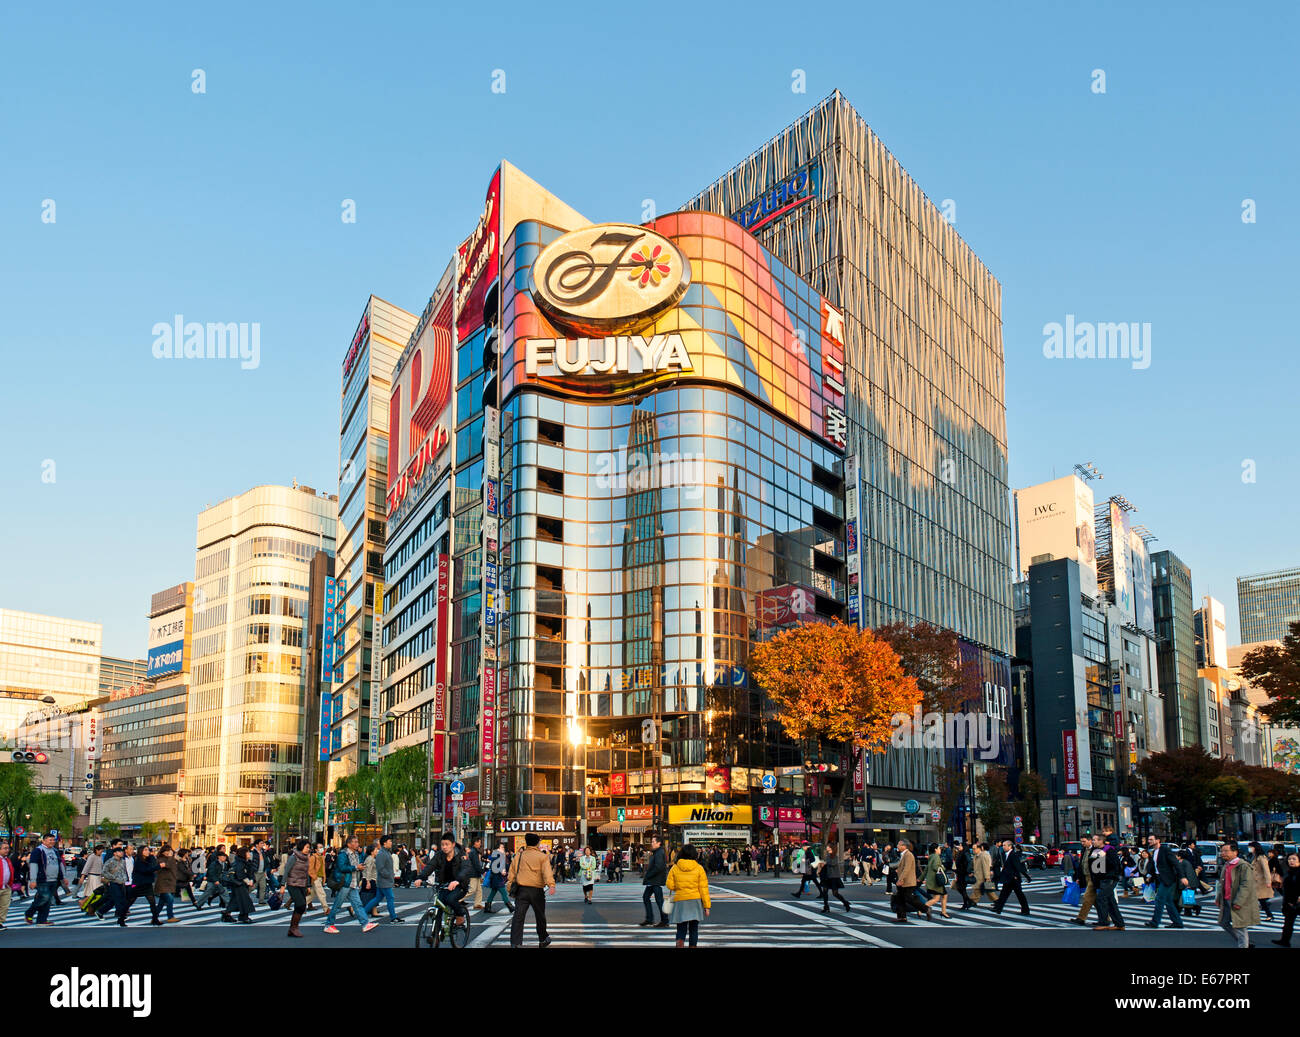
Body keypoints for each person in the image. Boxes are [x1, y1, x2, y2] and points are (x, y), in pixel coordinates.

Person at [506, 831, 555, 948]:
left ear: (526, 843)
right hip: (537, 891)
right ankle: (543, 939)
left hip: (521, 890)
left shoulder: (519, 855)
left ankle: (515, 942)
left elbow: (511, 873)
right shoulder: (542, 857)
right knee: (540, 916)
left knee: (518, 917)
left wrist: (509, 885)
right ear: (537, 843)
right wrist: (551, 884)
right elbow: (547, 872)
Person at [666, 843, 710, 946]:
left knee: (681, 928)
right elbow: (703, 888)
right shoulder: (699, 868)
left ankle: (680, 941)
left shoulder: (675, 868)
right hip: (695, 901)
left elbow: (669, 884)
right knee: (694, 929)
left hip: (680, 900)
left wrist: (678, 886)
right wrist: (707, 906)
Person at [1216, 841, 1258, 949]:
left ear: (1235, 852)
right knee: (1223, 922)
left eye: (1226, 851)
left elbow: (1246, 885)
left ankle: (1244, 945)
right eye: (1222, 851)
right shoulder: (1226, 865)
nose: (1223, 853)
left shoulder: (1243, 866)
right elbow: (1221, 883)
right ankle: (1245, 943)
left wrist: (1239, 901)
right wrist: (1218, 898)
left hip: (1237, 900)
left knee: (1240, 926)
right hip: (1226, 899)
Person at [324, 836, 370, 933]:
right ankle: (329, 924)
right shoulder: (343, 854)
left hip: (353, 883)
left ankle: (365, 924)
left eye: (357, 842)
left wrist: (360, 867)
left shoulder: (356, 853)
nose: (357, 844)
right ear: (349, 844)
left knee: (358, 904)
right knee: (337, 904)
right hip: (345, 883)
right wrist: (356, 867)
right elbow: (342, 867)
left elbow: (357, 865)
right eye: (355, 842)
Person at [25, 832, 70, 926]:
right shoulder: (38, 851)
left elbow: (60, 864)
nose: (52, 842)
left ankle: (42, 920)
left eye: (53, 840)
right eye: (50, 840)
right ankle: (29, 913)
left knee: (48, 900)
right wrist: (33, 880)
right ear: (44, 841)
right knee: (44, 897)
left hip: (54, 879)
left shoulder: (55, 851)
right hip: (42, 879)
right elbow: (33, 865)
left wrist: (63, 877)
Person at [1143, 835, 1185, 930]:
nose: (1149, 841)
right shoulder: (1154, 852)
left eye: (1151, 839)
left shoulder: (1165, 850)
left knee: (1159, 899)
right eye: (1148, 839)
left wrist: (1182, 877)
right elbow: (1154, 866)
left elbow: (1175, 863)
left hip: (1168, 879)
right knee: (1168, 901)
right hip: (1160, 878)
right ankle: (1177, 922)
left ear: (1157, 840)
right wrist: (1149, 876)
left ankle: (1155, 922)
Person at [1086, 833, 1125, 931]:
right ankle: (1119, 924)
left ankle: (1104, 922)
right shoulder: (1094, 850)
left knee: (1101, 898)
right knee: (1110, 901)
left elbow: (1115, 864)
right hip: (1101, 879)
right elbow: (1092, 865)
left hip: (1110, 878)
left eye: (1095, 840)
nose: (1093, 841)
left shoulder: (1109, 850)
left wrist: (1103, 857)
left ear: (1101, 841)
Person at [362, 834, 402, 924]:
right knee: (390, 898)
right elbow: (380, 868)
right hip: (384, 881)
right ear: (384, 843)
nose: (391, 843)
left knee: (377, 898)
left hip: (384, 880)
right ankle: (393, 917)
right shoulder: (382, 853)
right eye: (390, 841)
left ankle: (363, 913)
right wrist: (389, 875)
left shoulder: (386, 852)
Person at [893, 839, 930, 921]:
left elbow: (907, 868)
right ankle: (902, 917)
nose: (897, 846)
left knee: (909, 898)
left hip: (908, 882)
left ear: (904, 846)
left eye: (899, 845)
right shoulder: (903, 854)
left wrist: (900, 879)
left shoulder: (908, 855)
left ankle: (925, 909)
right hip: (904, 881)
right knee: (900, 899)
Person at [992, 839, 1031, 916]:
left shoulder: (1013, 855)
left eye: (1004, 845)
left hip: (1014, 879)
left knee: (1019, 895)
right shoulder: (1005, 854)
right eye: (1003, 845)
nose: (1003, 847)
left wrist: (1025, 876)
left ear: (1010, 846)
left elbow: (1018, 867)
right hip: (1008, 878)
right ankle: (998, 908)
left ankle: (1025, 910)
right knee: (1004, 894)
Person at [283, 838, 311, 938]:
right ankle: (294, 928)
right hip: (293, 883)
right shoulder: (293, 857)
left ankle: (293, 928)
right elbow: (286, 870)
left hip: (302, 884)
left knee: (300, 906)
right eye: (307, 847)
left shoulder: (306, 858)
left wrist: (308, 885)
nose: (308, 849)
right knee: (301, 904)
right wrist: (283, 885)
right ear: (301, 847)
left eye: (309, 847)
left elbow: (306, 872)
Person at [1271, 851, 1300, 947]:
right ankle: (1285, 940)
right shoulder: (1289, 871)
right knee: (1288, 923)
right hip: (1289, 902)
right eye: (1289, 859)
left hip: (1297, 902)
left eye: (1294, 859)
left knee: (1288, 923)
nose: (1291, 861)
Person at [640, 834, 669, 927]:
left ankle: (663, 920)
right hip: (653, 880)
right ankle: (650, 919)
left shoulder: (659, 852)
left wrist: (649, 875)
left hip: (655, 880)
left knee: (658, 900)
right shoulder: (657, 852)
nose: (651, 843)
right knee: (647, 897)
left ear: (659, 843)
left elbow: (659, 867)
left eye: (653, 841)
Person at [102, 845, 131, 926]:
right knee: (118, 900)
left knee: (119, 900)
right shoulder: (110, 861)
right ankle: (120, 917)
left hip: (122, 883)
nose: (121, 853)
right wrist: (113, 877)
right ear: (115, 853)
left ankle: (101, 911)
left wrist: (126, 879)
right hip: (114, 882)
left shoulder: (123, 861)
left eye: (122, 851)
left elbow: (124, 871)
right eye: (119, 851)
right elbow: (104, 871)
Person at [819, 844, 852, 913]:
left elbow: (833, 863)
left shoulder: (835, 856)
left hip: (834, 877)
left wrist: (826, 863)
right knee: (824, 891)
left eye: (828, 846)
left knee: (835, 893)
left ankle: (846, 903)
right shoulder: (828, 855)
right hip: (827, 876)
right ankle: (826, 906)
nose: (827, 847)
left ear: (831, 848)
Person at [226, 845, 255, 924]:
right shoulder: (240, 863)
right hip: (239, 883)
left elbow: (250, 872)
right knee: (244, 900)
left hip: (240, 883)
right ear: (243, 854)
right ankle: (243, 917)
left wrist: (251, 879)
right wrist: (248, 881)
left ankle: (226, 914)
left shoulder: (245, 862)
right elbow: (240, 874)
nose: (249, 854)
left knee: (236, 900)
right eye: (248, 852)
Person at [483, 841, 514, 914]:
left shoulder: (498, 854)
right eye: (502, 847)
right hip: (497, 877)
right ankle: (510, 907)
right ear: (498, 848)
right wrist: (502, 871)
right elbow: (494, 866)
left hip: (496, 877)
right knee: (503, 892)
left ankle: (487, 907)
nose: (503, 849)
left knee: (493, 892)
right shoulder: (497, 855)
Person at [152, 846, 180, 925]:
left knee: (161, 903)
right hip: (163, 883)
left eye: (170, 851)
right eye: (167, 851)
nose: (168, 852)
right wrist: (171, 857)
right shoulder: (160, 859)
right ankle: (170, 917)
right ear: (163, 852)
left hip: (170, 882)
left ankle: (154, 917)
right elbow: (167, 866)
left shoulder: (172, 859)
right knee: (170, 899)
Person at [1249, 842, 1276, 922]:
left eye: (1251, 847)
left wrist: (1268, 881)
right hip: (1255, 881)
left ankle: (1269, 915)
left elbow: (1266, 870)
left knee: (1260, 899)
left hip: (1261, 882)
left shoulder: (1261, 857)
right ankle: (1267, 914)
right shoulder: (1255, 857)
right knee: (1259, 899)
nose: (1249, 849)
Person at [923, 844, 950, 918]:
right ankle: (921, 908)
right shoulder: (936, 856)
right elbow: (936, 867)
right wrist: (942, 867)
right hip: (936, 881)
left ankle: (943, 912)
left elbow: (926, 869)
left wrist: (921, 878)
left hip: (933, 881)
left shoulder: (931, 857)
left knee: (943, 895)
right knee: (936, 898)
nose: (940, 850)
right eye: (939, 848)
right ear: (935, 849)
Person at [0, 840, 15, 929]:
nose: (7, 850)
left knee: (4, 906)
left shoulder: (7, 860)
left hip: (5, 886)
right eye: (4, 848)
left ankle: (0, 922)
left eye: (8, 848)